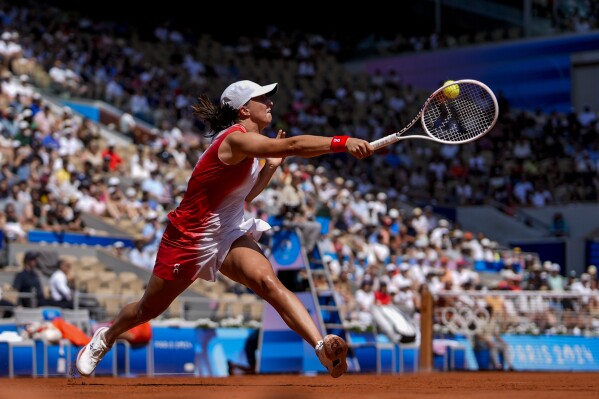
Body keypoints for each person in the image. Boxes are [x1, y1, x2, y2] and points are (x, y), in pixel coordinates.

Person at [76, 79, 373, 378]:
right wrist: (342, 142)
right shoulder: (235, 140)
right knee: (147, 310)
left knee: (268, 282)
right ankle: (107, 336)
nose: (270, 103)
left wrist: (269, 169)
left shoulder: (248, 147)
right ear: (244, 109)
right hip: (189, 240)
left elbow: (243, 196)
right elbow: (293, 145)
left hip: (228, 232)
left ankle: (320, 345)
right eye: (262, 99)